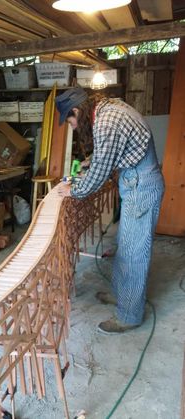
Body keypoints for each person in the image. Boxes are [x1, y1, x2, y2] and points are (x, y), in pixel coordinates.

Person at [55, 86, 165, 334]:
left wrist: (73, 190)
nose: (71, 127)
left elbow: (99, 174)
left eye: (69, 120)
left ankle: (129, 315)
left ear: (76, 111)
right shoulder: (108, 109)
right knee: (125, 246)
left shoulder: (107, 121)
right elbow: (110, 152)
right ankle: (121, 295)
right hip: (135, 181)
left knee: (134, 253)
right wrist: (90, 162)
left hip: (141, 186)